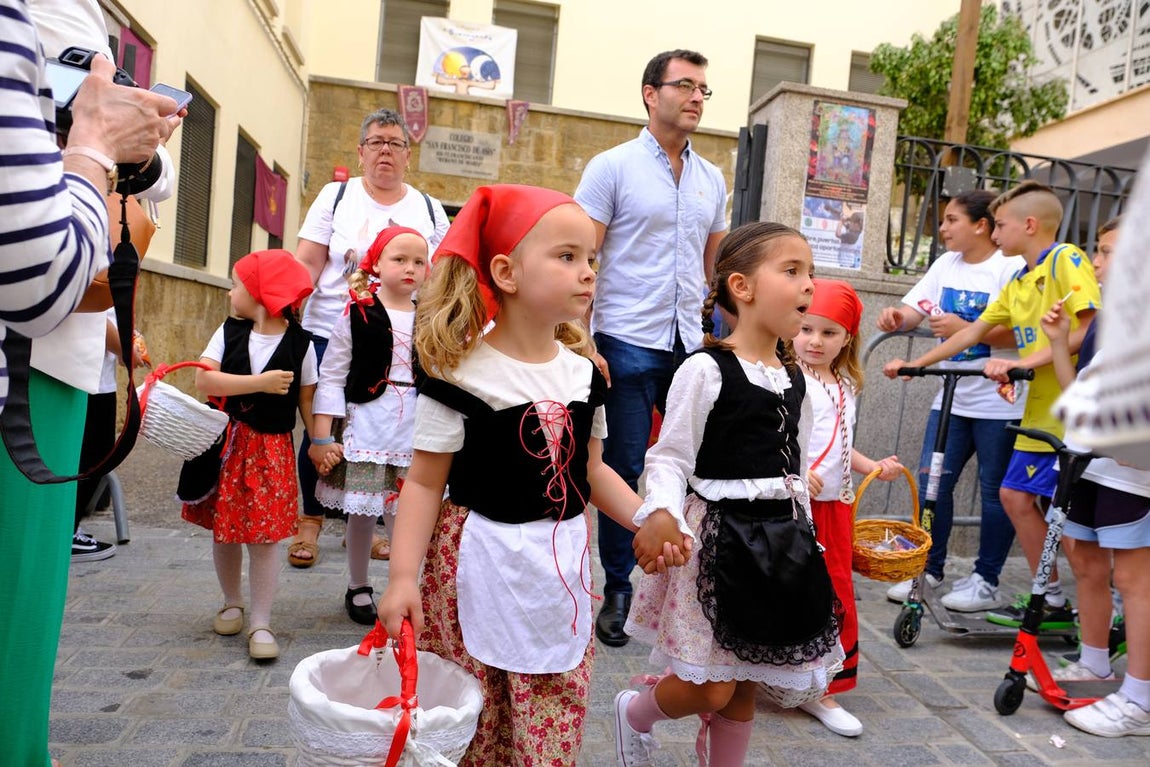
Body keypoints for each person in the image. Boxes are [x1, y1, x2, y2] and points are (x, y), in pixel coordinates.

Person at [377, 184, 686, 766]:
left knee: (551, 719)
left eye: (592, 257)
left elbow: (591, 471)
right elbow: (423, 482)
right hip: (473, 570)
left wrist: (649, 517)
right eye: (567, 256)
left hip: (556, 575)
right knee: (473, 722)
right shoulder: (459, 375)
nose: (587, 271)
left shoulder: (586, 377)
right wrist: (400, 578)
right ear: (507, 271)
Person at [0, 1, 177, 763]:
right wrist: (98, 147)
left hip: (58, 346)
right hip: (28, 351)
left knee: (32, 608)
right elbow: (35, 255)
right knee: (19, 606)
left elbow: (154, 177)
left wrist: (132, 143)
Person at [617, 222, 846, 767]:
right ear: (742, 288)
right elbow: (670, 456)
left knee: (745, 682)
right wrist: (663, 513)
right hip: (719, 543)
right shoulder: (705, 370)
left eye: (810, 273)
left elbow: (794, 465)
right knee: (711, 687)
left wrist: (806, 536)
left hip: (779, 544)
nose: (808, 285)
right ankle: (633, 712)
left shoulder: (798, 381)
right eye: (792, 271)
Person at [883, 180, 1102, 631]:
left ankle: (1076, 609)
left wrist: (1022, 362)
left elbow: (1088, 327)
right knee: (1015, 498)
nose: (995, 233)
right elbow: (970, 333)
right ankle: (1054, 597)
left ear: (1028, 224)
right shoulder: (1021, 280)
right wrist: (917, 365)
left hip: (1071, 411)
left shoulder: (1066, 259)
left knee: (1066, 522)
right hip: (1039, 412)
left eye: (1000, 225)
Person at [574, 49, 728, 647]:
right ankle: (618, 586)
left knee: (698, 467)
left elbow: (715, 268)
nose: (695, 97)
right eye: (684, 85)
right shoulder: (610, 167)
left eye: (702, 89)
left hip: (691, 345)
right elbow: (583, 259)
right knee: (624, 467)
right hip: (624, 338)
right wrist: (581, 339)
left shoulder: (712, 178)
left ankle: (689, 585)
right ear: (649, 93)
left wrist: (723, 339)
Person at [290, 107, 449, 568]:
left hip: (400, 332)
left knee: (390, 430)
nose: (385, 150)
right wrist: (287, 314)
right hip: (331, 328)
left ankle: (371, 521)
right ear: (361, 153)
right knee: (324, 427)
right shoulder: (336, 195)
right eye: (376, 142)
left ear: (407, 155)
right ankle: (310, 521)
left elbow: (439, 276)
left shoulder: (426, 207)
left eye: (395, 143)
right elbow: (308, 260)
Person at [876, 190, 1025, 610]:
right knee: (933, 483)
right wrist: (896, 318)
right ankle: (928, 568)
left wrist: (967, 326)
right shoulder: (945, 264)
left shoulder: (1011, 266)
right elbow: (914, 310)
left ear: (981, 225)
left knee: (996, 492)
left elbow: (1022, 332)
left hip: (1001, 402)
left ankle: (986, 578)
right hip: (952, 398)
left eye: (952, 220)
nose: (942, 228)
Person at [1041, 217, 1150, 737]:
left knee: (1134, 581)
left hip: (1132, 477)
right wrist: (1060, 342)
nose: (1097, 264)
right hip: (1087, 465)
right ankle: (1095, 663)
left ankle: (1140, 701)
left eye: (1106, 253)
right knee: (1086, 563)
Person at [180, 250, 318, 661]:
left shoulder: (301, 344)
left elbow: (308, 399)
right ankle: (231, 601)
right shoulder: (228, 333)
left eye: (237, 284)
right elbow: (205, 379)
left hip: (271, 451)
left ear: (261, 293)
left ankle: (261, 619)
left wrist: (320, 443)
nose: (229, 292)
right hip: (225, 446)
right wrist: (259, 383)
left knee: (264, 538)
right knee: (226, 529)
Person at [791, 277, 903, 737]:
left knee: (834, 591)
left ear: (848, 338)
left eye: (829, 332)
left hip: (835, 507)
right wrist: (796, 472)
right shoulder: (786, 378)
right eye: (807, 328)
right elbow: (775, 439)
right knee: (791, 591)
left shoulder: (845, 383)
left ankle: (821, 686)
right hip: (795, 508)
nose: (815, 341)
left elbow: (840, 443)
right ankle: (781, 676)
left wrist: (870, 464)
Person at [308, 225, 428, 625]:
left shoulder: (430, 317)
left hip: (415, 425)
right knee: (360, 514)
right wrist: (322, 435)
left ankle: (403, 585)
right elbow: (332, 376)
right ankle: (358, 585)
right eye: (399, 259)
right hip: (368, 423)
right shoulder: (358, 313)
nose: (410, 268)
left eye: (418, 261)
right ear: (377, 263)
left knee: (407, 512)